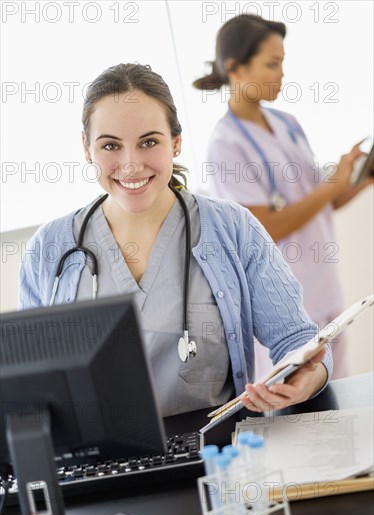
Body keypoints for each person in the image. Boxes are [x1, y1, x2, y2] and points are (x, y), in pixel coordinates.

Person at [19, 62, 328, 418]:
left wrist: (309, 375)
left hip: (216, 455)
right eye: (110, 146)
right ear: (87, 149)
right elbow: (32, 383)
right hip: (97, 467)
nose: (131, 164)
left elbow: (297, 341)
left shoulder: (232, 228)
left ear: (176, 143)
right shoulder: (49, 248)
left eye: (148, 142)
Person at [193, 14, 373, 380]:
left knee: (341, 402)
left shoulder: (288, 123)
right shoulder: (225, 144)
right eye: (272, 64)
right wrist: (332, 185)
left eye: (282, 63)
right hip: (285, 309)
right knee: (299, 413)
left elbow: (323, 200)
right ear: (235, 68)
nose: (281, 73)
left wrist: (356, 181)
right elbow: (264, 227)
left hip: (327, 294)